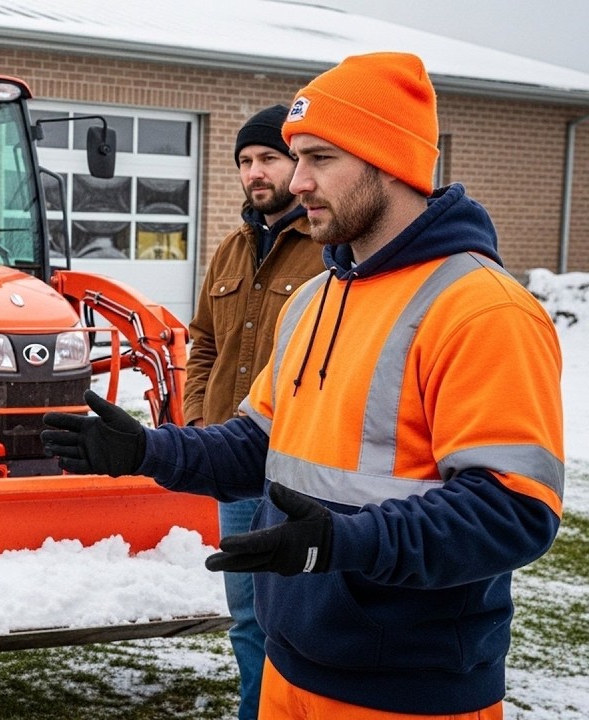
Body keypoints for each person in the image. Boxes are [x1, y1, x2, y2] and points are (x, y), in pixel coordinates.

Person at [42, 52, 562, 719]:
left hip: (407, 691)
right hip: (291, 669)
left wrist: (345, 543)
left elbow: (513, 512)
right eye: (297, 157)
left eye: (320, 159)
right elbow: (258, 444)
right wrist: (147, 453)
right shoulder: (315, 299)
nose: (299, 182)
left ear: (389, 160)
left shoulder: (482, 309)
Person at [185, 104, 321, 720]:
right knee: (246, 620)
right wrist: (196, 424)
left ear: (297, 167)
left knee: (300, 620)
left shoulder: (326, 251)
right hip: (236, 470)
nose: (254, 172)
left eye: (268, 158)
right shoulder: (230, 251)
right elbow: (204, 345)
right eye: (244, 161)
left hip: (300, 469)